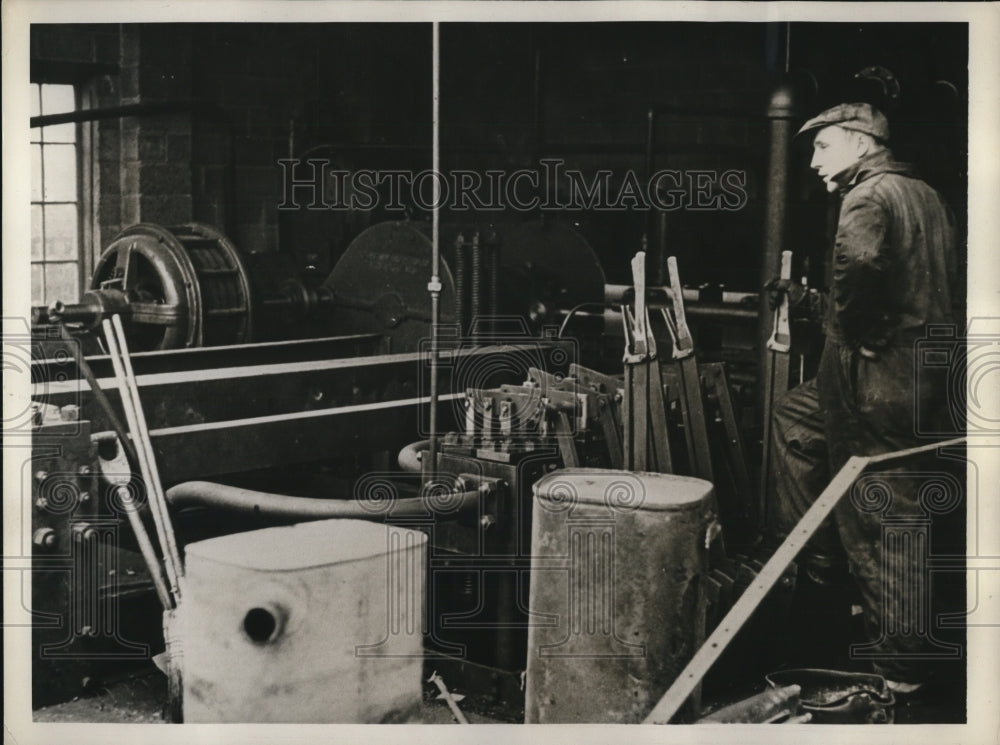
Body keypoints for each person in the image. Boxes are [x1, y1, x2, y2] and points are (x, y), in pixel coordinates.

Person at [768, 102, 959, 693]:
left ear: (859, 142)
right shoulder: (925, 195)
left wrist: (851, 329)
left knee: (882, 519)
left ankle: (901, 675)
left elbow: (862, 266)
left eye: (824, 149)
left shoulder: (868, 197)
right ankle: (824, 567)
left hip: (874, 384)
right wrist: (817, 305)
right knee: (795, 422)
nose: (816, 164)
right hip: (921, 380)